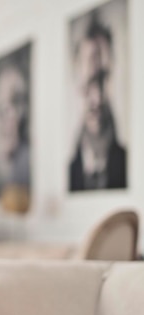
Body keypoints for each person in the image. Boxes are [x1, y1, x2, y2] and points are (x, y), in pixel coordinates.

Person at [69, 11, 127, 191]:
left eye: (104, 79)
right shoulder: (71, 170)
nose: (97, 97)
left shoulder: (127, 163)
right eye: (89, 81)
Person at [0, 43, 31, 213]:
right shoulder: (0, 164)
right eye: (3, 106)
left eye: (16, 102)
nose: (9, 115)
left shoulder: (27, 159)